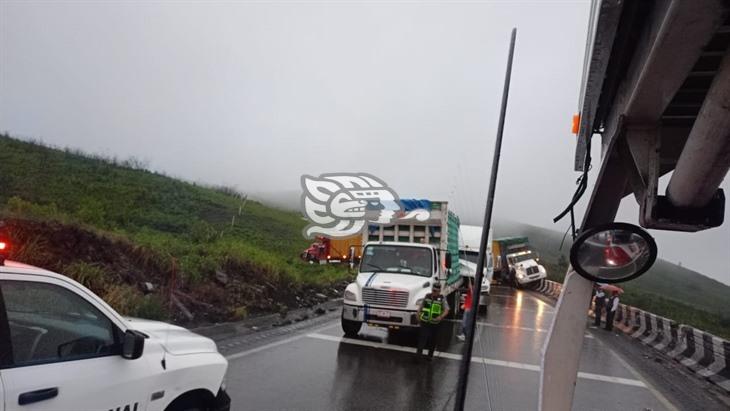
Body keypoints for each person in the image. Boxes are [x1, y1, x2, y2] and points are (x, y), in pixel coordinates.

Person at [417, 282, 450, 360]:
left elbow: (446, 310)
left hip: (435, 323)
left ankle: (430, 356)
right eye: (433, 290)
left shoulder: (442, 298)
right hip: (425, 321)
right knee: (422, 339)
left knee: (433, 340)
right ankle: (418, 357)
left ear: (439, 291)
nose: (433, 292)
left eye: (435, 291)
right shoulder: (427, 296)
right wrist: (418, 314)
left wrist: (440, 317)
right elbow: (421, 306)